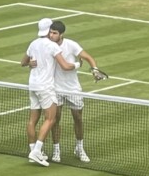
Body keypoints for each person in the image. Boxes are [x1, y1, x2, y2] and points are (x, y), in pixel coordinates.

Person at [20, 18, 81, 167]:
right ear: (49, 30)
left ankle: (32, 150)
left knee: (32, 120)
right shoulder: (52, 46)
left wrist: (30, 63)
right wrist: (78, 64)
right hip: (45, 88)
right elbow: (66, 66)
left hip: (32, 86)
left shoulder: (33, 43)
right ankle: (37, 151)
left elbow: (23, 62)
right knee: (51, 119)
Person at [47, 20, 98, 164]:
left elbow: (89, 57)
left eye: (54, 33)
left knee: (78, 119)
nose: (51, 35)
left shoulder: (71, 45)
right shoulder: (47, 45)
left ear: (61, 34)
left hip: (73, 89)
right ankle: (56, 150)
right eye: (50, 32)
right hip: (55, 88)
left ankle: (79, 148)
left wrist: (94, 69)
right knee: (55, 119)